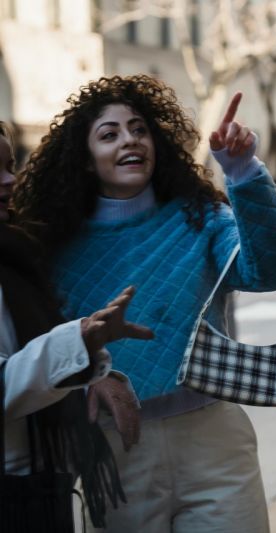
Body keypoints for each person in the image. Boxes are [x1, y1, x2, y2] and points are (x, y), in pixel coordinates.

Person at [12, 76, 276, 532]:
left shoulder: (202, 216)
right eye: (109, 134)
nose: (129, 140)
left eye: (139, 129)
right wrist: (85, 383)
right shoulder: (53, 244)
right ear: (85, 161)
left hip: (213, 438)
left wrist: (244, 173)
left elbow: (274, 270)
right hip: (113, 445)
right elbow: (38, 350)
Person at [1, 120, 153, 528]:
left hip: (41, 481)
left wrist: (90, 371)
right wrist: (81, 340)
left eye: (10, 165)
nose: (9, 181)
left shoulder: (19, 252)